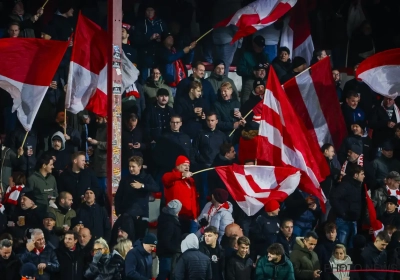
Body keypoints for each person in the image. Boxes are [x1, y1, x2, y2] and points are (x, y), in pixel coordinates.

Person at [115, 156, 158, 239]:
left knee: (141, 239)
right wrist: (118, 212)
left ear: (139, 167)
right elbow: (118, 196)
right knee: (129, 239)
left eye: (133, 166)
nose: (131, 169)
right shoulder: (125, 179)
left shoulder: (146, 178)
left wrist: (142, 186)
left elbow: (156, 188)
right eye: (129, 166)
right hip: (127, 214)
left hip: (142, 214)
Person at [162, 155, 199, 233]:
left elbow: (193, 199)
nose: (187, 167)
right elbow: (166, 178)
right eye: (184, 165)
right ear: (177, 166)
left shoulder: (190, 180)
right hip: (176, 217)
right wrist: (181, 175)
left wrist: (195, 216)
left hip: (189, 217)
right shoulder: (171, 178)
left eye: (188, 165)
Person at [330, 165, 364, 247]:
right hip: (343, 221)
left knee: (351, 247)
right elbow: (334, 198)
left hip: (353, 221)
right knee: (341, 246)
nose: (364, 176)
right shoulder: (345, 185)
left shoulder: (358, 186)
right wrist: (343, 213)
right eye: (362, 174)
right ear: (355, 175)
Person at [133, 4, 167, 83]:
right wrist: (150, 38)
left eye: (151, 10)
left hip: (158, 55)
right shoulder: (140, 23)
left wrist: (161, 39)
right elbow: (136, 40)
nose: (149, 12)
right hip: (145, 56)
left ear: (154, 11)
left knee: (159, 80)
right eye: (147, 10)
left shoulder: (161, 22)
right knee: (144, 80)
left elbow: (167, 36)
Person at [156, 200, 182, 280]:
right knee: (165, 273)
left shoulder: (166, 218)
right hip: (167, 254)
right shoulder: (170, 223)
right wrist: (176, 249)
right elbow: (166, 241)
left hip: (167, 254)